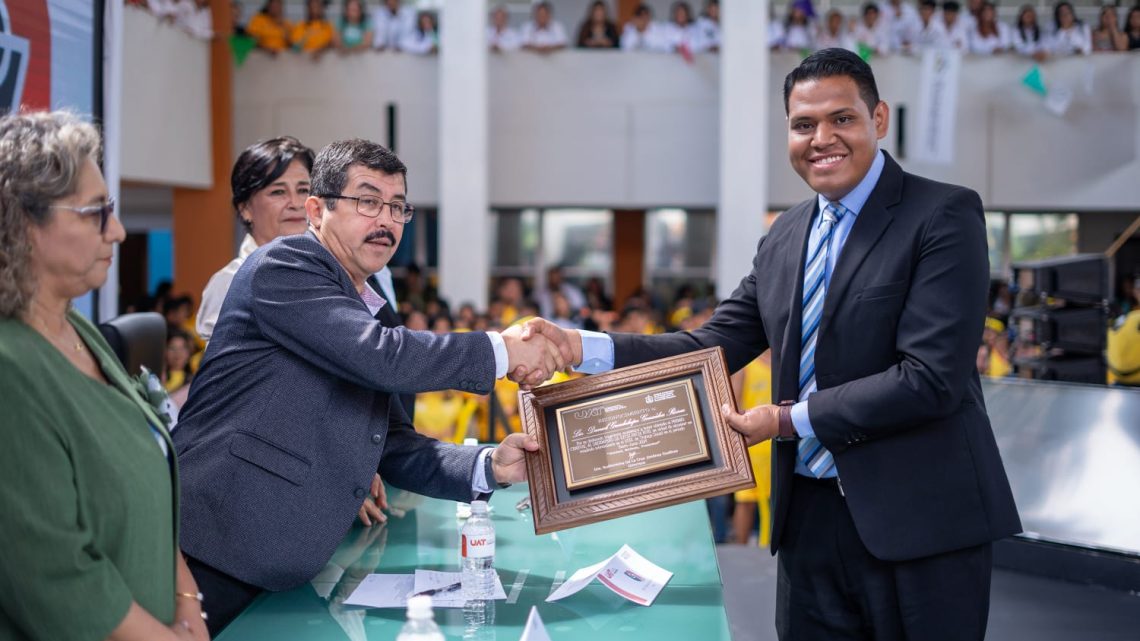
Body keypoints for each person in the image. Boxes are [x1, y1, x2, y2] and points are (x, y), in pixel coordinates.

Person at [524, 48, 1021, 641]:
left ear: (879, 119)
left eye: (842, 119)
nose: (822, 138)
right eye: (803, 124)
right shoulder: (785, 233)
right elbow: (709, 346)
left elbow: (930, 379)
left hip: (919, 525)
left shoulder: (943, 214)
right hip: (809, 522)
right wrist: (581, 349)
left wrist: (787, 421)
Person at [172, 138, 567, 635]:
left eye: (398, 207)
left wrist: (489, 464)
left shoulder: (368, 300)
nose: (386, 220)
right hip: (217, 549)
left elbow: (393, 443)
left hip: (289, 562)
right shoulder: (285, 265)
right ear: (318, 210)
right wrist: (505, 351)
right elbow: (386, 358)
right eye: (367, 201)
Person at [0, 111, 207, 641]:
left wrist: (186, 606)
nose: (116, 231)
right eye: (96, 212)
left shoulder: (80, 330)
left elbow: (152, 486)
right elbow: (57, 579)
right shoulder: (10, 366)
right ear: (23, 224)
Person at [196, 136, 314, 343]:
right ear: (245, 209)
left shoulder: (325, 271)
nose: (296, 203)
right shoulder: (230, 283)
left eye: (303, 190)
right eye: (278, 192)